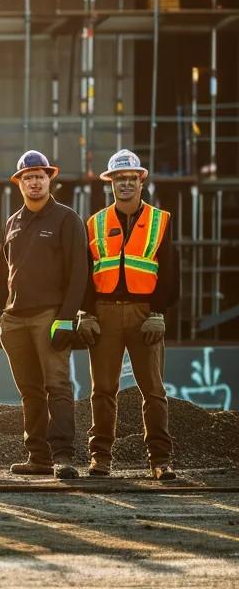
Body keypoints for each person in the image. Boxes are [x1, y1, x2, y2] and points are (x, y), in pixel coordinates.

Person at [80, 149, 178, 480]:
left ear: (141, 181)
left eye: (131, 179)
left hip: (144, 315)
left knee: (153, 391)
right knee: (102, 390)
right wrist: (86, 312)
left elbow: (169, 270)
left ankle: (160, 460)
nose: (125, 184)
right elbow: (87, 272)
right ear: (110, 183)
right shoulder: (95, 223)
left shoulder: (160, 220)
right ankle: (100, 458)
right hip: (104, 314)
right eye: (119, 179)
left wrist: (158, 313)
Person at [0, 150, 91, 480]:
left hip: (49, 317)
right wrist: (0, 311)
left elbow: (79, 272)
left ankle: (62, 456)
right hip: (14, 320)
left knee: (57, 386)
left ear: (49, 179)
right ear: (19, 183)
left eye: (39, 176)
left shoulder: (67, 219)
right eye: (28, 177)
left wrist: (66, 317)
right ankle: (37, 457)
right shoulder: (13, 222)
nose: (34, 182)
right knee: (30, 391)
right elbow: (4, 272)